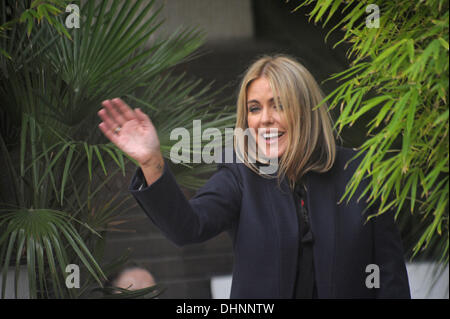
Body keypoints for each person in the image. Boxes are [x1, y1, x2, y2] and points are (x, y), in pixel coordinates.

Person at [97, 55, 411, 299]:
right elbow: (188, 227)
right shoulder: (240, 174)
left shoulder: (359, 171)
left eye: (279, 105)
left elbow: (390, 277)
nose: (264, 120)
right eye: (255, 108)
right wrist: (153, 162)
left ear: (306, 109)